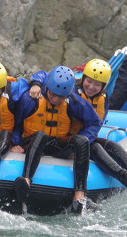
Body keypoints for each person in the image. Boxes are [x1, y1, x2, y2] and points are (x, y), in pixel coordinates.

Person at [11, 66, 102, 214]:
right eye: (53, 95)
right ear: (47, 88)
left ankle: (79, 195)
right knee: (41, 135)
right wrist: (14, 143)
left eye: (61, 97)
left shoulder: (73, 101)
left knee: (82, 141)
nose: (56, 100)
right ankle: (26, 180)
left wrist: (77, 148)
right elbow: (16, 124)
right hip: (31, 143)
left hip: (56, 145)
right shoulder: (30, 99)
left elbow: (95, 123)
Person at [75, 59, 127, 192]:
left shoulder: (102, 98)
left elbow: (97, 124)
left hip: (84, 137)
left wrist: (87, 138)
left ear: (103, 86)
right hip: (68, 140)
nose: (91, 87)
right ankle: (123, 176)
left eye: (97, 84)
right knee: (95, 147)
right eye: (89, 81)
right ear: (83, 78)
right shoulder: (71, 92)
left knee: (113, 146)